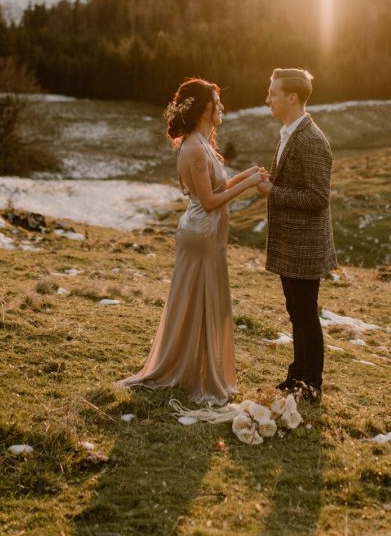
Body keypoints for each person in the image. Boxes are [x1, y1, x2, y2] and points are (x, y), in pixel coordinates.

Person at [119, 78, 265, 405]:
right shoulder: (196, 149)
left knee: (204, 302)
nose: (222, 107)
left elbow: (217, 188)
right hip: (202, 233)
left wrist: (248, 174)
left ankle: (195, 368)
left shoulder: (200, 142)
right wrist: (251, 183)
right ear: (204, 109)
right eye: (217, 101)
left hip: (206, 233)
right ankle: (190, 373)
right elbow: (211, 200)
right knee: (201, 302)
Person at [257, 68, 337, 403]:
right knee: (295, 309)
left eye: (273, 93)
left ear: (292, 97)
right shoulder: (289, 132)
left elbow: (319, 197)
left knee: (305, 311)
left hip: (306, 245)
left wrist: (273, 191)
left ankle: (312, 384)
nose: (267, 99)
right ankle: (296, 374)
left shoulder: (312, 139)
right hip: (292, 242)